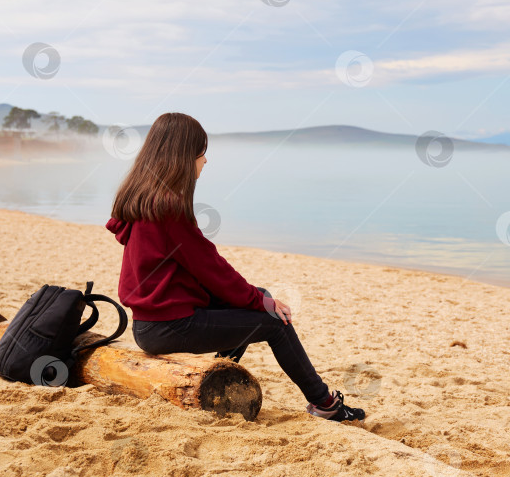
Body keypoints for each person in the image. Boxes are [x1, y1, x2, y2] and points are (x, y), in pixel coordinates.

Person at [105, 112, 365, 423]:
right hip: (169, 325)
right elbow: (210, 268)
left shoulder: (144, 200)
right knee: (274, 322)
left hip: (151, 322)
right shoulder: (167, 208)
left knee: (259, 300)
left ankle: (215, 380)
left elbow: (204, 271)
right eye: (201, 151)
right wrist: (259, 302)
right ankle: (325, 403)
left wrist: (257, 296)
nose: (205, 160)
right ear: (183, 154)